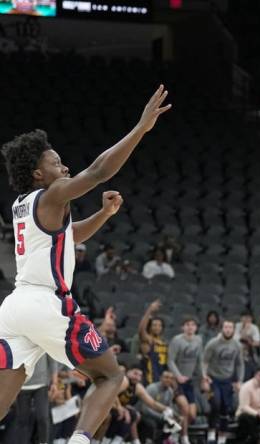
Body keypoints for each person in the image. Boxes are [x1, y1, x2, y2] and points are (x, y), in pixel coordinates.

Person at [0, 86, 170, 444]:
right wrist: (140, 129)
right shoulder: (52, 194)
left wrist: (105, 213)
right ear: (37, 174)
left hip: (14, 307)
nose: (64, 167)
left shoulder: (23, 204)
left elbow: (67, 237)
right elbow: (96, 172)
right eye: (55, 162)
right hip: (46, 302)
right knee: (111, 376)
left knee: (1, 400)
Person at [203, 320, 244, 444]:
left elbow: (240, 364)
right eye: (226, 327)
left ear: (233, 330)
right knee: (215, 404)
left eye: (230, 327)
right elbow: (204, 361)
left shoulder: (237, 345)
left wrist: (239, 381)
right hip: (213, 379)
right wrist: (204, 376)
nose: (228, 330)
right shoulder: (213, 343)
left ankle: (222, 436)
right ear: (222, 329)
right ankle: (211, 431)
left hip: (228, 380)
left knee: (226, 408)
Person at [168, 316, 207, 444]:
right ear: (183, 327)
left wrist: (203, 377)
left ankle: (175, 431)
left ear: (196, 328)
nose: (190, 327)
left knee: (191, 415)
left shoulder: (198, 340)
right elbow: (170, 361)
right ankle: (184, 438)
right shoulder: (177, 340)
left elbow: (200, 360)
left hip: (189, 381)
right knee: (184, 408)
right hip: (176, 381)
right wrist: (178, 376)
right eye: (187, 325)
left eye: (192, 325)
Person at [114, 365, 176, 444]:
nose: (137, 377)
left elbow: (152, 403)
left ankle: (118, 440)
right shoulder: (124, 381)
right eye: (135, 373)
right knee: (131, 415)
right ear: (128, 372)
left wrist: (167, 410)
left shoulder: (138, 386)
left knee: (132, 415)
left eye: (140, 375)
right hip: (108, 405)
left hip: (122, 408)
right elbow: (111, 396)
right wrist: (119, 407)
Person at [6, 355, 57, 444]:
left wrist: (55, 383)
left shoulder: (45, 340)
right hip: (22, 385)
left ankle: (43, 442)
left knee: (43, 417)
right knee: (22, 420)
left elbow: (53, 360)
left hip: (41, 384)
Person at [140, 370, 188, 443]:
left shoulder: (170, 392)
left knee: (175, 424)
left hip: (160, 416)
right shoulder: (152, 388)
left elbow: (168, 409)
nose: (168, 380)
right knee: (152, 424)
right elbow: (144, 409)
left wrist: (177, 416)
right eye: (166, 377)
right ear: (161, 378)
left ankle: (165, 441)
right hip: (146, 415)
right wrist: (161, 417)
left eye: (171, 378)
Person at [138, 299, 169, 384]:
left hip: (163, 378)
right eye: (154, 325)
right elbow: (141, 330)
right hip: (150, 379)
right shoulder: (148, 340)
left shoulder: (164, 342)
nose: (157, 327)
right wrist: (149, 310)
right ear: (150, 326)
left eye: (159, 325)